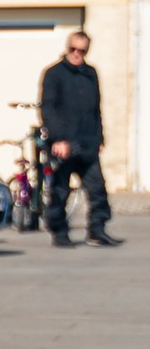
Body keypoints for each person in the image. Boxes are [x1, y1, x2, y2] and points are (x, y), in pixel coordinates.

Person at [38, 28, 118, 245]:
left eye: (81, 51)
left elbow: (96, 109)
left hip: (88, 143)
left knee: (98, 189)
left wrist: (100, 138)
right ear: (67, 48)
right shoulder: (54, 73)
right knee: (60, 191)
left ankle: (97, 230)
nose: (76, 54)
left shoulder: (91, 74)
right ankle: (59, 232)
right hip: (63, 144)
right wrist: (58, 139)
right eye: (73, 49)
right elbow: (48, 109)